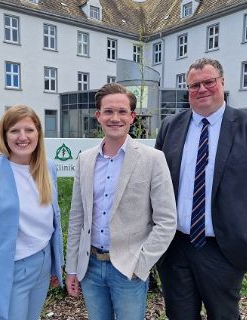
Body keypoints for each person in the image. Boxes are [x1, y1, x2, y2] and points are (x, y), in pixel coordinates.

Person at [155, 57, 247, 319]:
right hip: (175, 247)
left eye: (209, 82)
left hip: (224, 250)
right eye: (194, 85)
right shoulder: (171, 125)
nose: (202, 89)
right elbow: (154, 184)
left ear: (222, 83)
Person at [65, 83, 176, 320]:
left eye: (122, 111)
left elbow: (167, 221)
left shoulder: (153, 159)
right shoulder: (85, 160)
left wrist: (141, 264)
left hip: (129, 269)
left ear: (132, 117)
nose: (115, 118)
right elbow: (77, 217)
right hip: (91, 267)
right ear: (98, 116)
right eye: (108, 111)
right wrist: (72, 267)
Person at [0, 105, 64, 320]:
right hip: (10, 271)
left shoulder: (48, 168)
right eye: (14, 131)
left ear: (38, 133)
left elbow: (53, 220)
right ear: (4, 135)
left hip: (42, 263)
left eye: (29, 130)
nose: (22, 137)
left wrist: (56, 265)